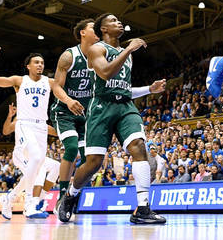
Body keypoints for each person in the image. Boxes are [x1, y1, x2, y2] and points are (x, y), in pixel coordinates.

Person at [56, 14, 167, 225]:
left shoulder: (127, 56)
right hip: (101, 107)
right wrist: (128, 49)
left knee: (139, 147)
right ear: (103, 29)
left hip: (124, 106)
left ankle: (142, 208)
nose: (119, 22)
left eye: (119, 20)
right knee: (93, 163)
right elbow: (106, 73)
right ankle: (70, 195)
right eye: (113, 20)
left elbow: (123, 89)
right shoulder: (97, 49)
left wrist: (149, 90)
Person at [0, 42, 83, 219]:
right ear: (28, 66)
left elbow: (62, 91)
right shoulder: (19, 80)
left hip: (41, 126)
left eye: (42, 62)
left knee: (52, 166)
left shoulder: (50, 82)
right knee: (37, 162)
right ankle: (30, 204)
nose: (40, 64)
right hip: (24, 125)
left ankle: (13, 198)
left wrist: (69, 102)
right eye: (36, 62)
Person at [50, 19, 97, 196]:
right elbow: (56, 86)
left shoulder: (98, 56)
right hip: (64, 112)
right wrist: (69, 101)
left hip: (85, 114)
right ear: (82, 33)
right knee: (70, 147)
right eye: (93, 28)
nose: (97, 31)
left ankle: (74, 194)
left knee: (90, 158)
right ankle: (62, 194)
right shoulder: (69, 56)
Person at [0, 102, 61, 220]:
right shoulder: (21, 118)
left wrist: (66, 132)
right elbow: (6, 131)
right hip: (21, 154)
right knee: (39, 169)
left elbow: (51, 131)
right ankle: (30, 205)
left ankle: (29, 199)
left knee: (55, 166)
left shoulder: (39, 119)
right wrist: (9, 116)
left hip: (35, 156)